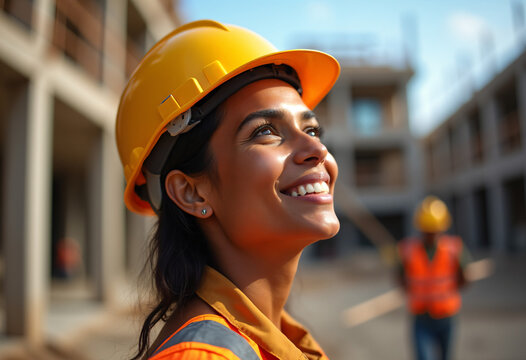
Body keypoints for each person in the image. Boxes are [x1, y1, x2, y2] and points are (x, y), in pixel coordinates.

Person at [115, 20, 341, 359]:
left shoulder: (274, 337)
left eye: (311, 128)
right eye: (265, 130)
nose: (317, 149)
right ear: (192, 192)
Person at [397, 196, 471, 360]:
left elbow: (465, 278)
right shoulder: (408, 250)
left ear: (442, 228)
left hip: (447, 316)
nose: (430, 234)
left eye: (434, 230)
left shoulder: (454, 248)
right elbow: (399, 277)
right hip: (421, 317)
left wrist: (445, 291)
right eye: (427, 230)